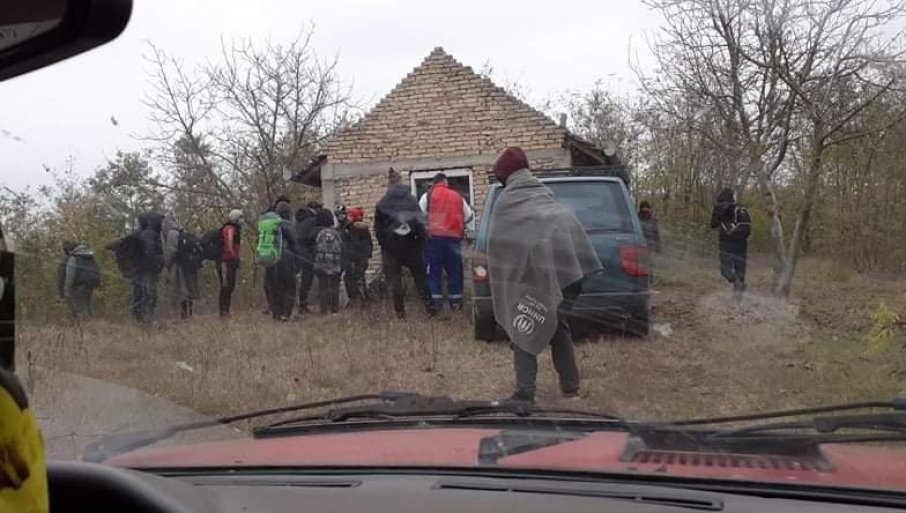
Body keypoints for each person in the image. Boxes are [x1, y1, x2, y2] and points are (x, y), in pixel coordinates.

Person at [487, 147, 602, 404]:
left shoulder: (507, 201)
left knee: (523, 321)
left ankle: (524, 393)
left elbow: (500, 247)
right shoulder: (542, 192)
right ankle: (571, 389)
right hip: (570, 275)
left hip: (545, 275)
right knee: (556, 324)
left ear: (505, 176)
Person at [375, 168, 432, 319]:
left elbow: (378, 230)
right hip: (412, 245)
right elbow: (420, 224)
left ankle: (400, 314)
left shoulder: (382, 203)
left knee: (395, 282)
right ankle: (430, 309)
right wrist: (420, 242)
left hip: (391, 248)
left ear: (389, 184)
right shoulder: (411, 200)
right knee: (420, 278)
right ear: (400, 182)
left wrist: (386, 246)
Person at [418, 173, 473, 313]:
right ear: (446, 182)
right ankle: (456, 304)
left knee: (433, 272)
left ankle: (435, 305)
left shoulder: (427, 196)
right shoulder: (457, 196)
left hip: (434, 239)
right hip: (454, 239)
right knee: (455, 271)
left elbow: (419, 217)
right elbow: (469, 216)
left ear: (434, 183)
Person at [710, 187, 752, 301]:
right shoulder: (741, 207)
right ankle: (738, 298)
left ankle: (737, 283)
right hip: (742, 243)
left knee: (725, 270)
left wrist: (718, 215)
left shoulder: (720, 207)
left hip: (727, 242)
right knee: (740, 269)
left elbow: (713, 224)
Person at [262, 201, 299, 321]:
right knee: (289, 285)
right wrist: (297, 259)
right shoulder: (287, 224)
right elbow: (294, 241)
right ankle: (285, 313)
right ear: (287, 213)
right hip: (285, 255)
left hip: (270, 257)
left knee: (274, 285)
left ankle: (276, 313)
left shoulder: (269, 224)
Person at [162, 216, 201, 319]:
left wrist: (166, 265)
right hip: (188, 264)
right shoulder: (181, 232)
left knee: (182, 290)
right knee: (189, 289)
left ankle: (184, 315)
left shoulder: (171, 234)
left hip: (179, 265)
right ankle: (189, 313)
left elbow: (171, 251)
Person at [57, 241, 100, 320]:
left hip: (77, 285)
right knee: (87, 305)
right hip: (90, 284)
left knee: (80, 307)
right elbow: (97, 269)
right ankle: (93, 323)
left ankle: (89, 324)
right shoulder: (89, 256)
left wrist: (65, 289)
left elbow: (69, 275)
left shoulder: (72, 258)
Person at [134, 212, 164, 324]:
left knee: (145, 294)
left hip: (143, 269)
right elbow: (150, 252)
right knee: (150, 294)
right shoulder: (149, 235)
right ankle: (147, 319)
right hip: (149, 269)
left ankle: (143, 318)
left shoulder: (144, 233)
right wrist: (159, 262)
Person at [314, 208, 343, 314]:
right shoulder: (336, 233)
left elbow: (315, 247)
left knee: (323, 287)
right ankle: (335, 309)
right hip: (335, 263)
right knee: (335, 287)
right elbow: (341, 246)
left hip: (321, 264)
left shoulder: (319, 234)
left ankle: (324, 310)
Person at [342, 206, 373, 305]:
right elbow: (369, 244)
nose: (347, 217)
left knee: (353, 279)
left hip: (355, 258)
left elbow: (352, 244)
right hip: (361, 258)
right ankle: (363, 299)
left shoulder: (352, 228)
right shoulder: (361, 228)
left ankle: (357, 299)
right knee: (359, 278)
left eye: (349, 215)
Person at [217, 209, 244, 318]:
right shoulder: (229, 229)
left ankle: (226, 310)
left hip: (230, 261)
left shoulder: (235, 229)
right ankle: (223, 311)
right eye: (240, 217)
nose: (242, 220)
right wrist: (235, 257)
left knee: (230, 285)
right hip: (225, 261)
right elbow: (229, 245)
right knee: (226, 286)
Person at [295, 202, 320, 314]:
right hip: (308, 253)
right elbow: (313, 236)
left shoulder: (298, 220)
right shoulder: (313, 220)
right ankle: (303, 303)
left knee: (296, 278)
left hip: (296, 252)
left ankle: (297, 303)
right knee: (307, 279)